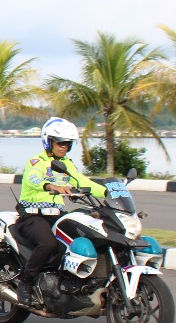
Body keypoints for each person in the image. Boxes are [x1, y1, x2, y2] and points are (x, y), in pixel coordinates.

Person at [15, 117, 107, 305]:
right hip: (33, 216)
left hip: (57, 215)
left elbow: (83, 182)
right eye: (60, 142)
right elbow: (33, 179)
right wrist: (51, 186)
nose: (64, 146)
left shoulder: (67, 164)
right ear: (48, 141)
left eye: (67, 143)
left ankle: (70, 284)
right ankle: (25, 282)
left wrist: (109, 190)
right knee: (48, 244)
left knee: (84, 236)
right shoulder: (36, 162)